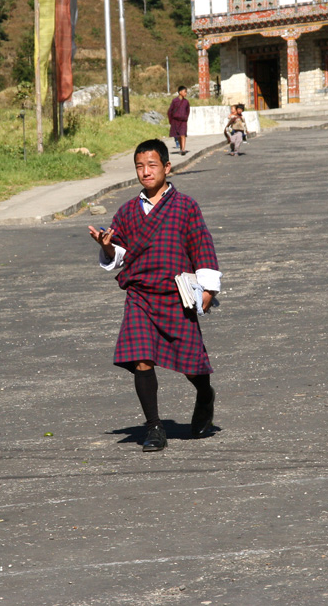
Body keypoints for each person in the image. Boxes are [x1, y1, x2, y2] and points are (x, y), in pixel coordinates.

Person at [88, 139, 221, 452]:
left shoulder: (185, 206)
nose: (145, 172)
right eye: (139, 166)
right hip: (140, 294)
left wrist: (208, 288)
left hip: (176, 295)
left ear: (167, 167)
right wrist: (107, 246)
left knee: (192, 364)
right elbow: (119, 254)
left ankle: (205, 394)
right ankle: (154, 427)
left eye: (151, 165)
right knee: (141, 358)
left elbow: (202, 245)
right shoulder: (127, 211)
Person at [167, 86, 190, 156]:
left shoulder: (186, 102)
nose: (185, 93)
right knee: (178, 135)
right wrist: (171, 121)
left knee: (183, 134)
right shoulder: (175, 101)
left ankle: (183, 149)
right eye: (184, 91)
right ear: (180, 92)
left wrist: (185, 117)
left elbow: (187, 111)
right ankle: (180, 147)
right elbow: (170, 111)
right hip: (176, 121)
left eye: (186, 92)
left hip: (183, 121)